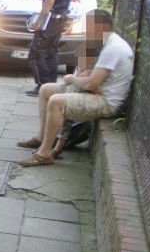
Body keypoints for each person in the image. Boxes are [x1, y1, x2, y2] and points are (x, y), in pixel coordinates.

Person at [17, 9, 134, 167]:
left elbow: (91, 84)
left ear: (102, 28)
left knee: (57, 102)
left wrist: (72, 78)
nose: (85, 31)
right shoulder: (107, 43)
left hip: (106, 101)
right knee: (46, 90)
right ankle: (41, 138)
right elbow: (91, 77)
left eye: (88, 27)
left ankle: (44, 153)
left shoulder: (114, 48)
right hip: (96, 93)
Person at [25, 0, 76, 96]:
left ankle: (42, 86)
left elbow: (49, 2)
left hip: (51, 20)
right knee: (52, 52)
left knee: (37, 52)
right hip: (61, 19)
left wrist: (38, 21)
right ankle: (52, 84)